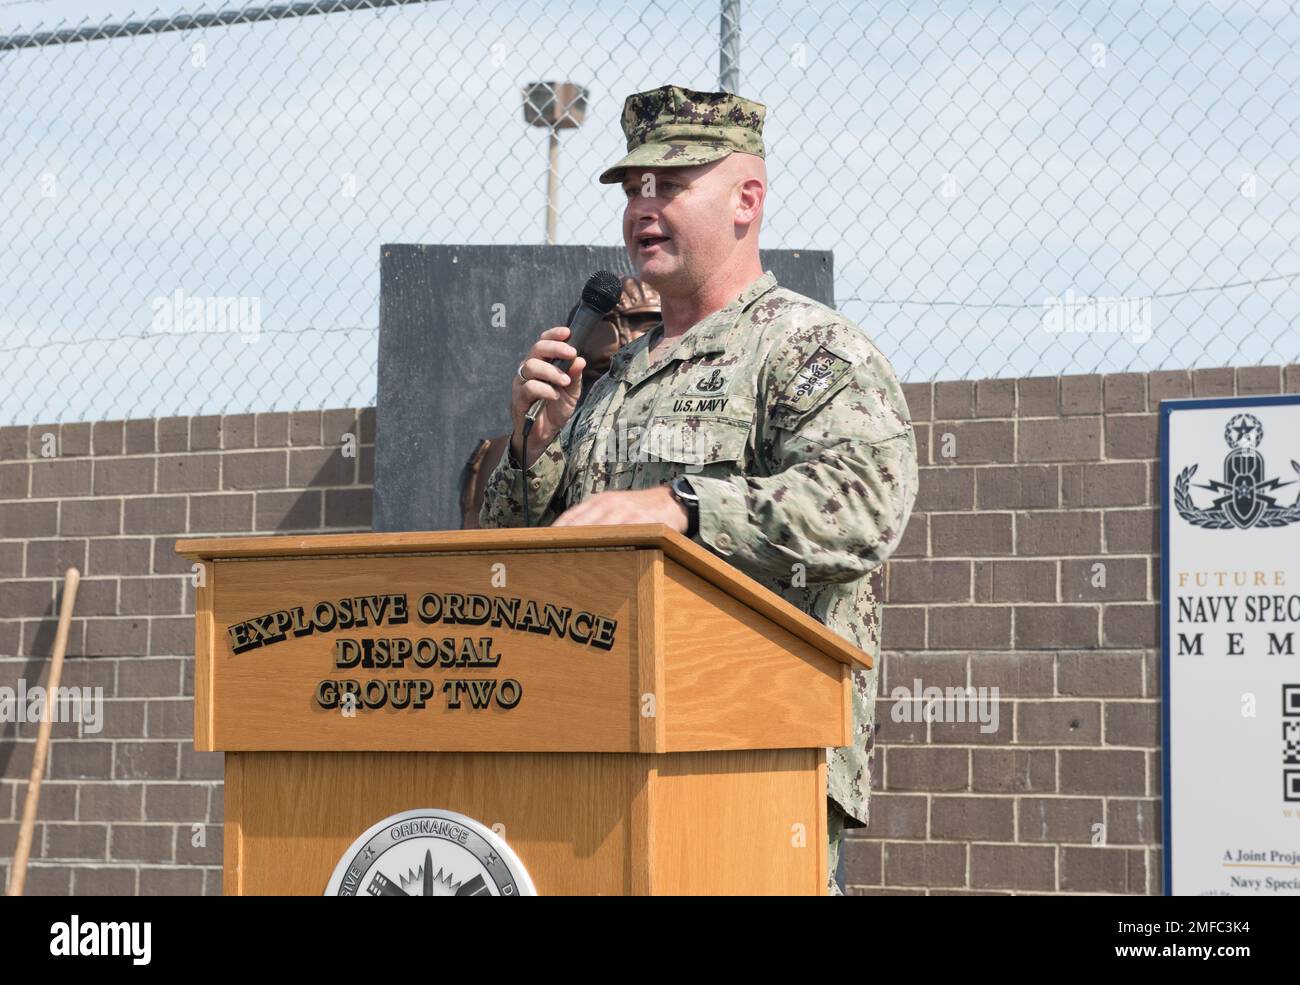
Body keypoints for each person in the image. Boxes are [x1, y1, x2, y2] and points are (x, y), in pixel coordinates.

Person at [478, 84, 918, 895]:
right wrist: (531, 449)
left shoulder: (807, 350)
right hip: (596, 756)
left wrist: (683, 506)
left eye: (671, 184)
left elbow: (863, 505)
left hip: (750, 760)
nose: (643, 206)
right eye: (633, 189)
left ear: (747, 199)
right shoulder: (613, 380)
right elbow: (529, 562)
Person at [458, 277, 661, 528]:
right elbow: (493, 540)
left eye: (656, 330)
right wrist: (532, 445)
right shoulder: (510, 451)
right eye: (649, 327)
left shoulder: (668, 436)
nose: (639, 340)